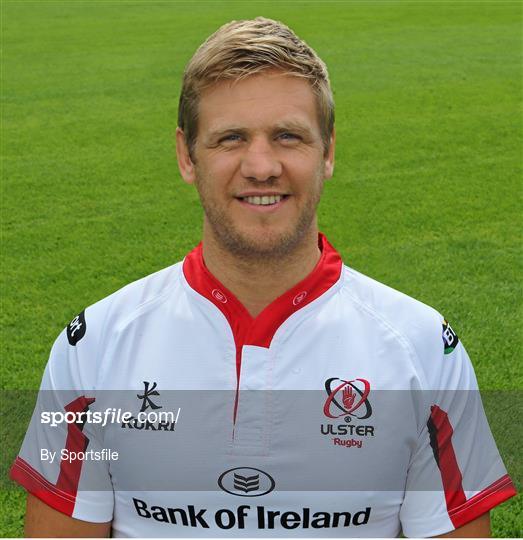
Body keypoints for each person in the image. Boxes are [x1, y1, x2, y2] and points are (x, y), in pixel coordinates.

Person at [11, 17, 516, 538]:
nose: (261, 166)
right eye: (231, 139)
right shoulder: (94, 346)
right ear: (187, 156)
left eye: (288, 136)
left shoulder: (424, 349)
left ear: (328, 152)